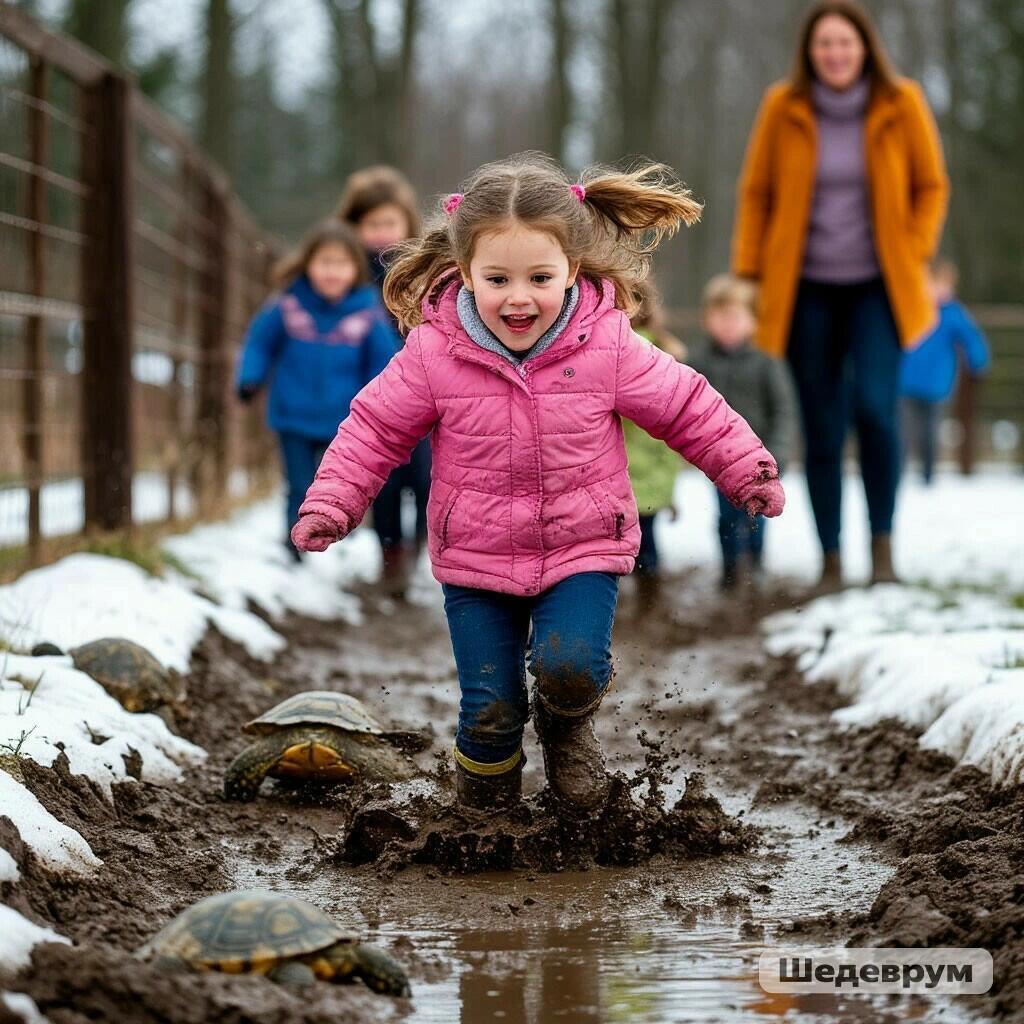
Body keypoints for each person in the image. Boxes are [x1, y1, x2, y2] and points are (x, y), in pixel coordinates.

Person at [291, 153, 785, 816]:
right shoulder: (434, 354)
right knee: (489, 712)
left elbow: (686, 406)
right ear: (465, 271)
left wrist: (745, 468)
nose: (518, 298)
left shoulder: (608, 345)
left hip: (583, 548)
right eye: (497, 279)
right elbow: (374, 429)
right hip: (476, 560)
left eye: (540, 278)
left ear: (572, 269)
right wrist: (332, 501)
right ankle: (483, 810)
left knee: (571, 665)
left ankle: (566, 726)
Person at [732, 0, 949, 589]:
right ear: (810, 51)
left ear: (864, 47)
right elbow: (756, 192)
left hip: (880, 288)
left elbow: (931, 185)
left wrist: (915, 244)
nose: (835, 53)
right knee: (821, 423)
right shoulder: (783, 106)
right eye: (824, 43)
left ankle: (882, 550)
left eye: (845, 42)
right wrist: (749, 272)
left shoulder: (901, 102)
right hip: (804, 291)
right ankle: (830, 558)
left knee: (877, 410)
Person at [235, 220, 399, 561]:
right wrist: (250, 378)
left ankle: (338, 533)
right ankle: (293, 544)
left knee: (340, 482)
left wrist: (386, 401)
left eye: (341, 264)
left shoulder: (367, 314)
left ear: (355, 268)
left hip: (345, 421)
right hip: (292, 415)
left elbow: (383, 362)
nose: (332, 272)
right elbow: (259, 344)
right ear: (308, 263)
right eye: (325, 262)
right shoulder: (288, 306)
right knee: (298, 484)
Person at [338, 167, 430, 593]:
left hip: (421, 391)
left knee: (425, 476)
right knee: (385, 482)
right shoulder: (346, 274)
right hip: (369, 394)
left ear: (407, 223)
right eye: (371, 224)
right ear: (354, 227)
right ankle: (390, 557)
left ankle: (421, 546)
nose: (381, 234)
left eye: (389, 222)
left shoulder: (421, 270)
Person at [687, 275, 797, 591]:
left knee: (756, 516)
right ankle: (730, 570)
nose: (728, 324)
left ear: (753, 321)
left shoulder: (767, 362)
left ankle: (756, 564)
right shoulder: (698, 361)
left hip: (760, 461)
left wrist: (778, 453)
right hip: (719, 461)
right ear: (707, 319)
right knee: (726, 516)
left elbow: (783, 411)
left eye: (735, 316)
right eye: (720, 316)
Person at [622, 278, 687, 610]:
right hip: (653, 473)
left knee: (618, 544)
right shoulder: (665, 353)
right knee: (646, 541)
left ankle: (637, 601)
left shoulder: (625, 351)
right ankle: (649, 598)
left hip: (625, 474)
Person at [900, 261, 990, 484]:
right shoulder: (912, 307)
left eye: (944, 285)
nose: (938, 290)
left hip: (937, 383)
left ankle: (928, 476)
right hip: (906, 381)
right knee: (903, 431)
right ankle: (897, 473)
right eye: (934, 284)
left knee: (930, 432)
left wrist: (978, 362)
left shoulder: (953, 314)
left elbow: (972, 339)